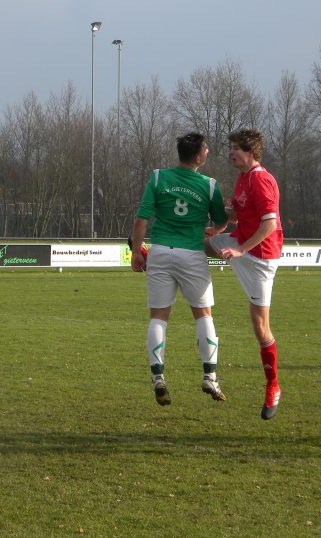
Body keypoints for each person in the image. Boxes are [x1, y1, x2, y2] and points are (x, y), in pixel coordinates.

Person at [131, 132, 229, 406]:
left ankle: (158, 377)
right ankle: (210, 376)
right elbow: (221, 223)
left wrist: (136, 251)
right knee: (203, 315)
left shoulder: (158, 177)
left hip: (161, 251)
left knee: (159, 317)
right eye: (206, 149)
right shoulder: (209, 185)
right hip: (192, 253)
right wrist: (212, 229)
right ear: (198, 156)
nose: (208, 152)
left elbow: (141, 219)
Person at [205, 129, 284, 420]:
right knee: (197, 244)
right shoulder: (242, 179)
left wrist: (241, 251)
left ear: (250, 151)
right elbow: (238, 213)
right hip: (240, 243)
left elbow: (270, 225)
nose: (230, 152)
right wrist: (220, 228)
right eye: (230, 147)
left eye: (236, 148)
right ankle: (151, 257)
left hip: (261, 258)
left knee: (260, 326)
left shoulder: (263, 180)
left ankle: (273, 386)